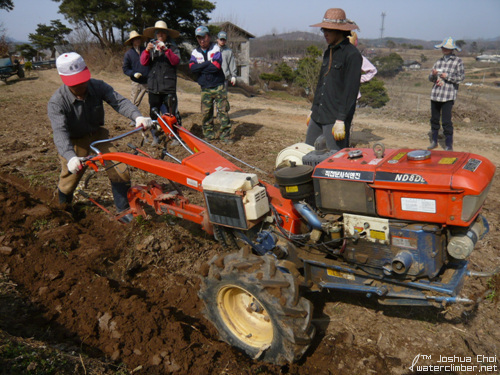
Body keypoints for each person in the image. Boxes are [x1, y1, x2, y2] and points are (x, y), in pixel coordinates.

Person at [47, 52, 151, 222]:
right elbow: (60, 132)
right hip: (75, 141)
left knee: (120, 169)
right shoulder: (57, 102)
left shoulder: (97, 86)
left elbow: (119, 101)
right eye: (75, 84)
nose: (81, 86)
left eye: (82, 81)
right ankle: (64, 208)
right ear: (64, 80)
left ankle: (124, 212)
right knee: (69, 179)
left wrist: (137, 116)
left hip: (98, 137)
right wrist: (70, 156)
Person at [305, 8, 362, 151]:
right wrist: (313, 109)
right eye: (323, 30)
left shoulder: (352, 55)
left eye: (328, 30)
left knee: (334, 158)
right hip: (319, 113)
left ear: (340, 30)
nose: (325, 33)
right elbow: (321, 84)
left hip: (335, 118)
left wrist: (341, 119)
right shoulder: (328, 52)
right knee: (308, 152)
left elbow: (350, 91)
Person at [189, 26, 233, 144]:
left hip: (218, 85)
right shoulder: (194, 52)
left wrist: (201, 66)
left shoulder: (216, 49)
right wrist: (208, 63)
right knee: (206, 113)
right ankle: (209, 135)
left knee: (223, 111)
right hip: (205, 87)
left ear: (208, 36)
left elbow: (216, 67)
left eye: (203, 37)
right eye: (199, 38)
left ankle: (225, 136)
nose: (201, 40)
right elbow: (192, 68)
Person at [141, 20, 182, 135]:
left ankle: (174, 136)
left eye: (163, 33)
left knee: (171, 114)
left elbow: (176, 61)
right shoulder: (150, 47)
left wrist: (166, 50)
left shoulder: (173, 48)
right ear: (155, 34)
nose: (160, 35)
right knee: (154, 113)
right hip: (154, 87)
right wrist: (147, 51)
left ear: (166, 34)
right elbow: (143, 62)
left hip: (168, 87)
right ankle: (155, 136)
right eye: (158, 32)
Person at [428, 37, 465, 151]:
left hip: (448, 96)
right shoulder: (438, 62)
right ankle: (434, 141)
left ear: (452, 49)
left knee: (446, 121)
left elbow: (461, 78)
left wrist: (447, 76)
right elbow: (430, 78)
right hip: (436, 94)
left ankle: (449, 145)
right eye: (443, 47)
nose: (445, 49)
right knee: (434, 119)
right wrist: (434, 75)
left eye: (447, 48)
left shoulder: (458, 62)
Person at [122, 30, 150, 108]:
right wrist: (133, 73)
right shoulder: (128, 54)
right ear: (132, 41)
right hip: (137, 83)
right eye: (135, 39)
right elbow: (125, 69)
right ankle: (133, 119)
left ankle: (157, 118)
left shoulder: (146, 50)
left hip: (149, 81)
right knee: (134, 103)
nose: (137, 40)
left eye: (138, 38)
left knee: (154, 101)